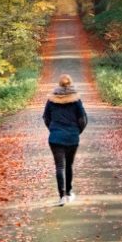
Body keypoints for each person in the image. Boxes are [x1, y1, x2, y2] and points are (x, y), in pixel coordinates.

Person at [43, 73, 87, 206]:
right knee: (68, 165)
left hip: (55, 138)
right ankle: (68, 193)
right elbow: (83, 119)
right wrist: (77, 132)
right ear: (70, 84)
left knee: (59, 167)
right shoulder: (76, 100)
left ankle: (62, 196)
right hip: (72, 137)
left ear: (59, 85)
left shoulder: (51, 100)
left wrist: (53, 130)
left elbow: (46, 118)